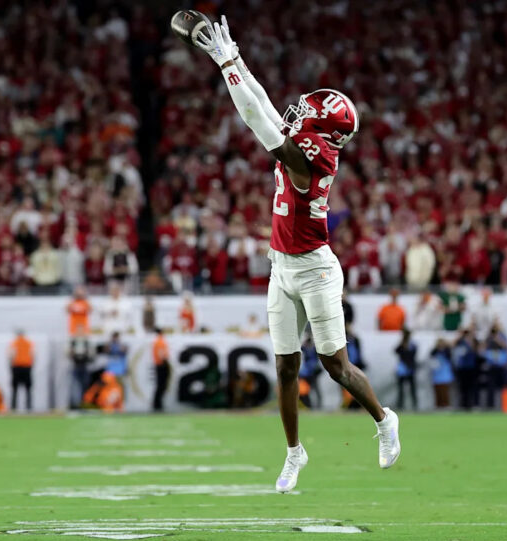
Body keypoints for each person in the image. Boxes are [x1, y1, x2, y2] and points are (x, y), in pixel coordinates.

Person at [195, 15, 400, 492]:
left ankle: (384, 418)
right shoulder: (309, 142)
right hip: (280, 266)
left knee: (334, 365)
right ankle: (294, 453)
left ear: (321, 131)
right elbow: (266, 107)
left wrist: (227, 65)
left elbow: (256, 120)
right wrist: (235, 60)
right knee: (285, 365)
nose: (297, 113)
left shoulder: (314, 157)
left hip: (315, 270)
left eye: (307, 113)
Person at [481, 322, 507, 409]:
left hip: (501, 365)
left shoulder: (502, 336)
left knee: (504, 385)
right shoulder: (488, 338)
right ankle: (491, 406)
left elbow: (506, 347)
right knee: (491, 386)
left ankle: (506, 404)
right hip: (492, 365)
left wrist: (498, 339)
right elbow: (482, 349)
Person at [453, 328, 479, 410]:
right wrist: (460, 335)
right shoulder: (460, 342)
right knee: (462, 388)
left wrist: (470, 337)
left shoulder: (471, 341)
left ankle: (471, 404)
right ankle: (463, 404)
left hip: (470, 367)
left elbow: (475, 348)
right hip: (462, 367)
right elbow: (453, 344)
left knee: (471, 387)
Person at [9, 330, 34, 411]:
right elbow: (33, 354)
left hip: (17, 367)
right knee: (28, 389)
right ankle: (29, 407)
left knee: (15, 389)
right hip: (27, 367)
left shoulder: (14, 343)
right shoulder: (29, 343)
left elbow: (11, 355)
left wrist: (11, 366)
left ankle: (13, 407)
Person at [69, 328, 93, 409]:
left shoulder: (86, 343)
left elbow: (91, 354)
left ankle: (84, 403)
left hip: (84, 365)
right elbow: (68, 353)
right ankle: (74, 404)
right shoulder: (73, 343)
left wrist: (87, 354)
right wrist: (72, 353)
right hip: (76, 365)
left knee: (84, 385)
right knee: (74, 386)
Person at [394, 329, 418, 410]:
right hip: (402, 369)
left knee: (412, 388)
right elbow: (396, 351)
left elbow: (414, 353)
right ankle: (400, 405)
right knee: (401, 389)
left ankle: (415, 405)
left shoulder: (412, 344)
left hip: (410, 368)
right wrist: (402, 345)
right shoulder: (402, 344)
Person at [430, 339, 454, 409]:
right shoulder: (435, 351)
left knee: (445, 391)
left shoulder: (447, 351)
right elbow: (431, 355)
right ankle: (438, 405)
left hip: (445, 374)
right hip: (437, 374)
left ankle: (446, 404)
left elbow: (449, 356)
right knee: (438, 391)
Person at [152, 328, 170, 412]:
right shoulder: (160, 342)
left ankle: (157, 404)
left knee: (160, 385)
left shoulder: (157, 341)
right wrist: (165, 361)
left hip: (159, 364)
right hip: (161, 364)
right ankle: (157, 404)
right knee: (161, 385)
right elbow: (161, 353)